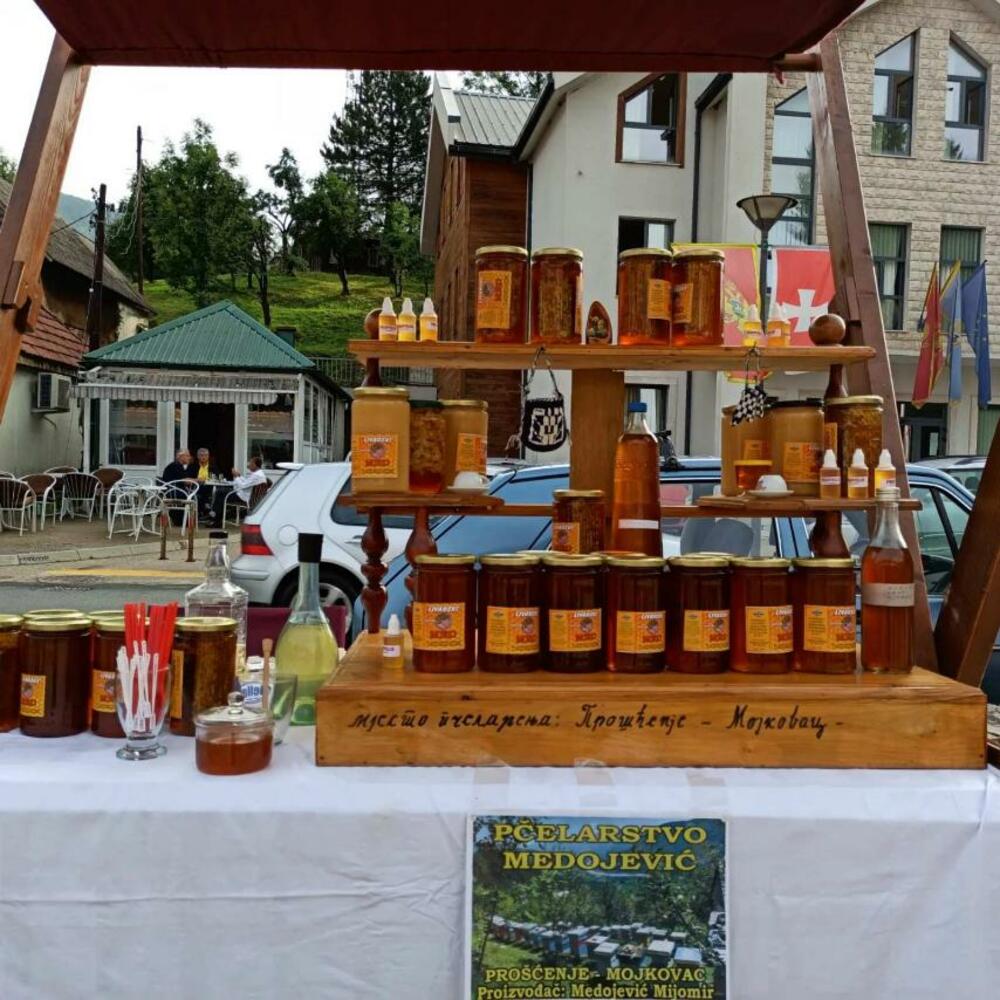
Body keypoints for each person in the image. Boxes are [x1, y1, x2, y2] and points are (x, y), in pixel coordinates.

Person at [208, 457, 267, 526]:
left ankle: (215, 518)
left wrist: (236, 476)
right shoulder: (259, 474)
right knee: (221, 492)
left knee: (220, 493)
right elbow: (246, 482)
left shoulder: (257, 475)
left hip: (244, 497)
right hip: (246, 495)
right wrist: (239, 476)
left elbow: (242, 485)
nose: (248, 464)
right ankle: (216, 517)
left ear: (254, 465)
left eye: (250, 463)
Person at [192, 448, 223, 518]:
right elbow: (189, 478)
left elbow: (220, 477)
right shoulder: (193, 466)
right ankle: (207, 508)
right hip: (195, 487)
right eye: (201, 455)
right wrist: (197, 480)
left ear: (208, 456)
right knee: (199, 493)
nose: (204, 457)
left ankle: (207, 508)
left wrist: (210, 479)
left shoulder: (213, 467)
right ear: (198, 456)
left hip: (210, 488)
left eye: (206, 455)